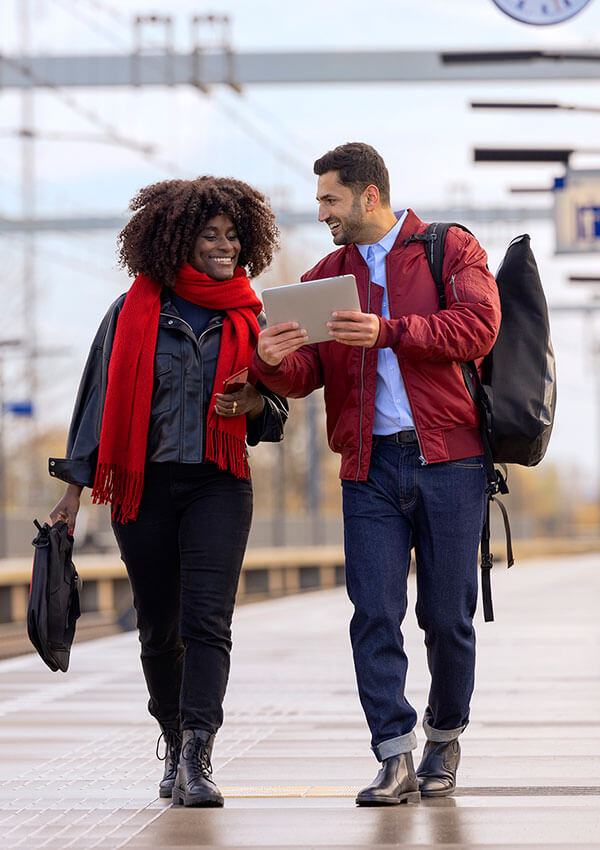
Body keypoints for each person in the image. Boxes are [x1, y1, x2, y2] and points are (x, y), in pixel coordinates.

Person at [254, 143, 501, 805]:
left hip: (451, 459)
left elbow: (479, 328)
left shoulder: (447, 248)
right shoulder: (321, 278)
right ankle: (393, 755)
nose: (322, 213)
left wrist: (388, 331)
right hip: (368, 466)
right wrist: (272, 361)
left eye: (330, 200)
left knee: (447, 617)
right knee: (373, 614)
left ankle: (444, 736)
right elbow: (305, 376)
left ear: (369, 195)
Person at [48, 176, 288, 808]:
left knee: (209, 621)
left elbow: (277, 417)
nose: (225, 246)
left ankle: (198, 755)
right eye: (210, 234)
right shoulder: (131, 312)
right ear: (177, 239)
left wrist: (255, 401)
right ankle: (172, 733)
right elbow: (96, 402)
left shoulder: (250, 313)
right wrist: (73, 492)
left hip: (219, 482)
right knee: (159, 625)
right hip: (144, 486)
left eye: (233, 235)